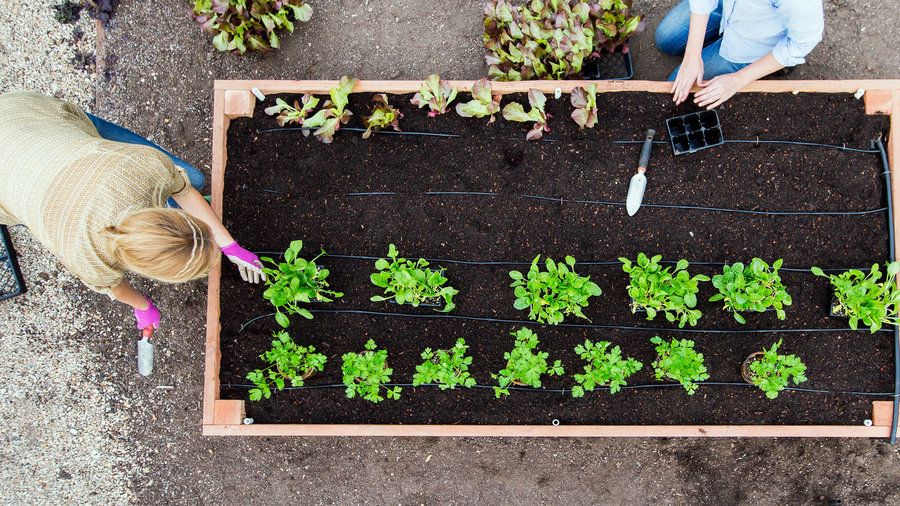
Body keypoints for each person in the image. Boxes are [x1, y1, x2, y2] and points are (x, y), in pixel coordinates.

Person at [0, 91, 264, 332]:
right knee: (31, 210)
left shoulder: (143, 167)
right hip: (14, 163)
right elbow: (116, 288)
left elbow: (184, 190)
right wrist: (142, 306)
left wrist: (229, 246)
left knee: (192, 179)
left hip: (32, 120)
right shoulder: (84, 256)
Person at [655, 0, 824, 109]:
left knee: (676, 88)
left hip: (753, 41)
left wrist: (738, 79)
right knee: (665, 39)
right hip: (726, 5)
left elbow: (803, 42)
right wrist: (692, 53)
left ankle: (775, 66)